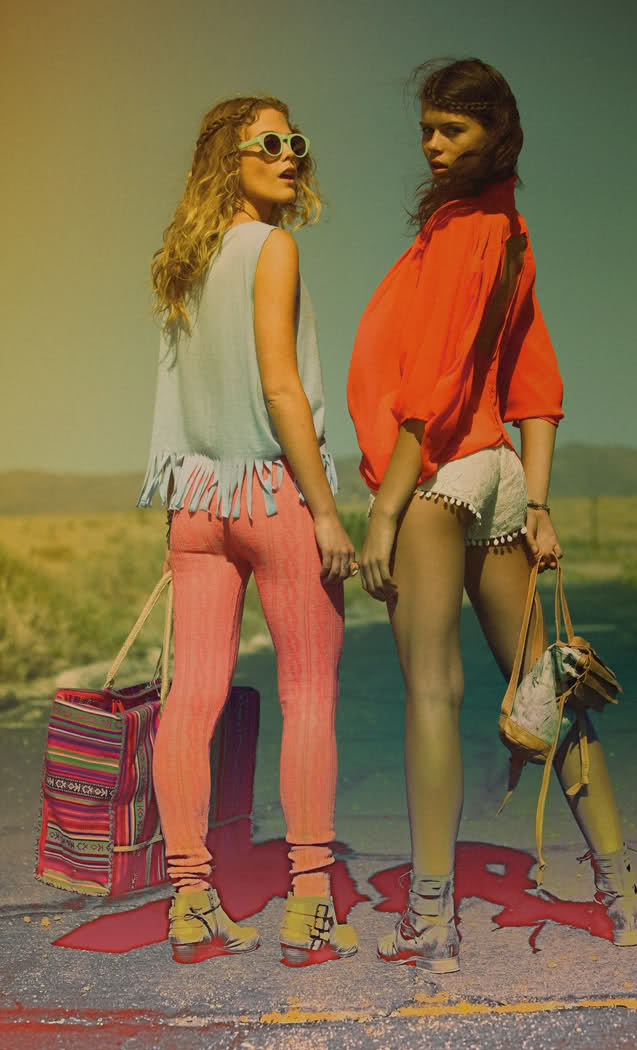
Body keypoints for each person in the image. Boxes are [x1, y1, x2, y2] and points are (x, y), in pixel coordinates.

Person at [347, 58, 637, 973]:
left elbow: (431, 394)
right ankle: (621, 896)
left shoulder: (464, 232)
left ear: (496, 133)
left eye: (454, 130)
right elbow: (537, 388)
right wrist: (538, 503)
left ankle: (430, 921)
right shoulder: (510, 233)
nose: (434, 146)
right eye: (427, 130)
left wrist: (384, 512)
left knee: (433, 695)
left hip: (438, 475)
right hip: (500, 473)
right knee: (545, 690)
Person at [138, 95, 359, 967]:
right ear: (226, 161)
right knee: (308, 694)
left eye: (295, 140)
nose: (289, 153)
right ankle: (310, 903)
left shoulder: (183, 264)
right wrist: (327, 511)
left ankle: (190, 901)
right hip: (272, 494)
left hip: (196, 501)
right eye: (268, 142)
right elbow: (280, 388)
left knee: (190, 698)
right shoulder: (272, 248)